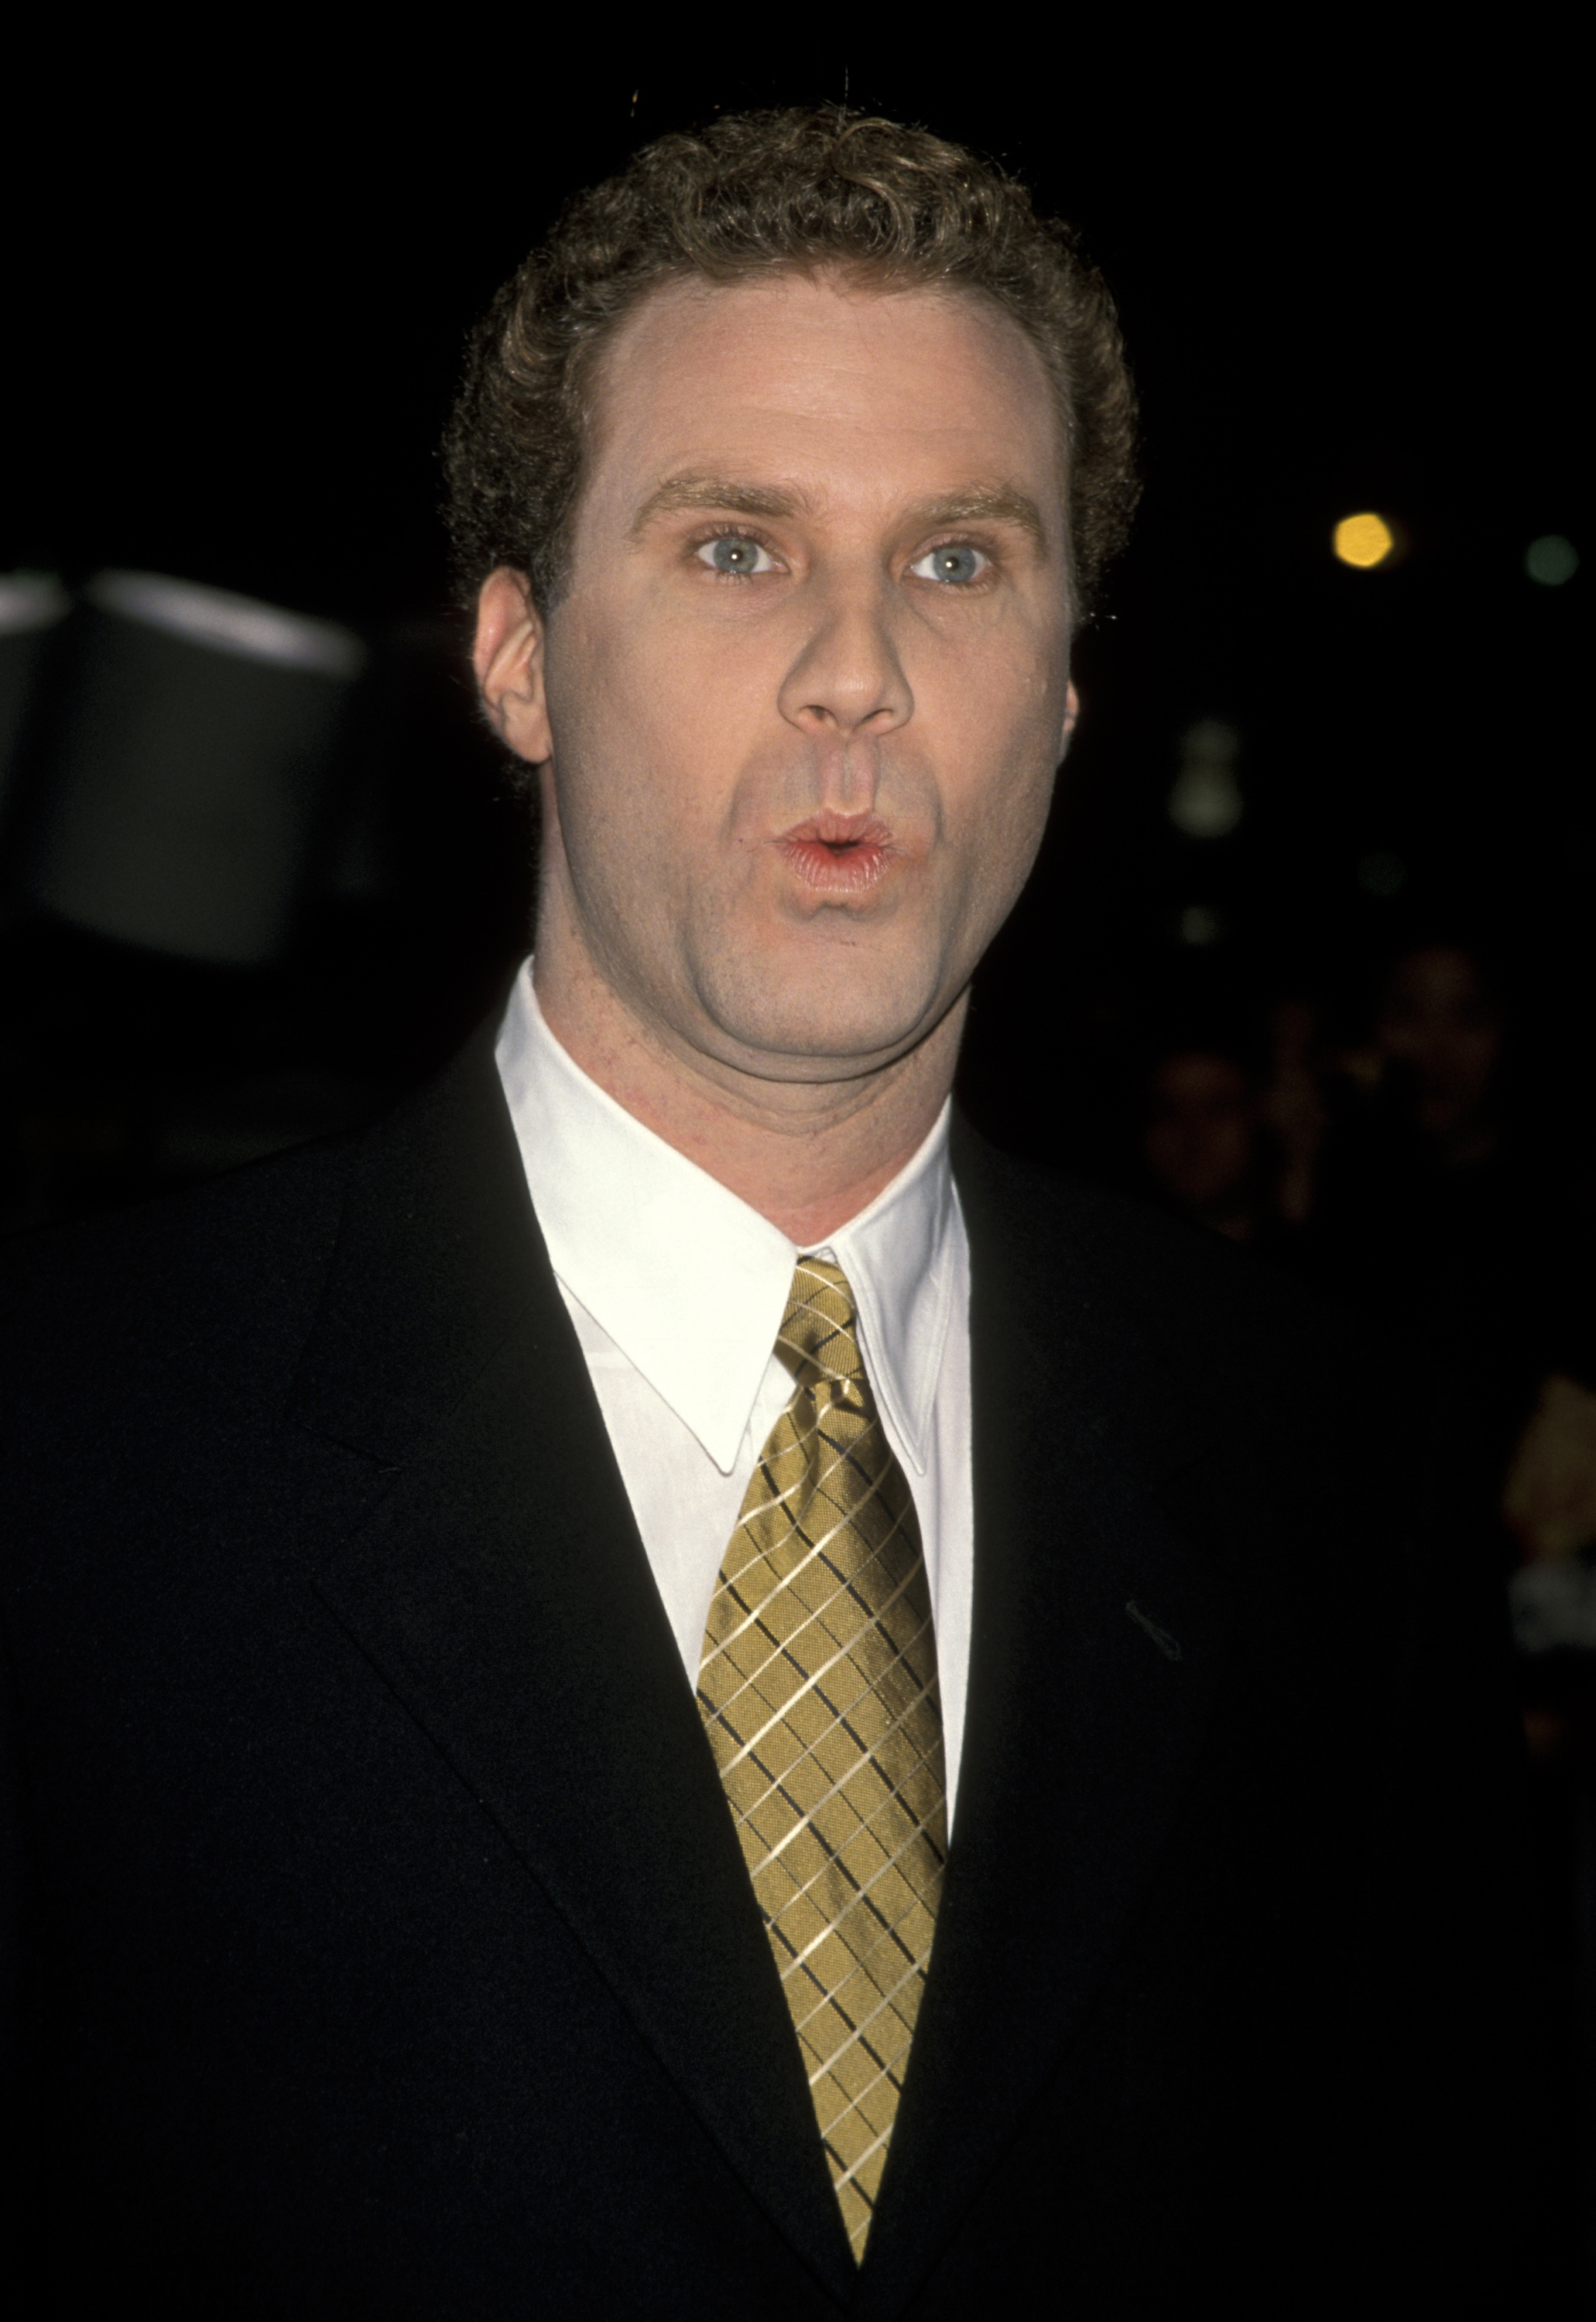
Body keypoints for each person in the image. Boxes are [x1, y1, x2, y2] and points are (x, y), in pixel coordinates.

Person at [1, 109, 1536, 2316]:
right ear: (517, 657)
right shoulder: (67, 1450)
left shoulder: (1336, 1483)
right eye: (736, 549)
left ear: (1070, 690)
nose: (858, 670)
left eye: (957, 559)